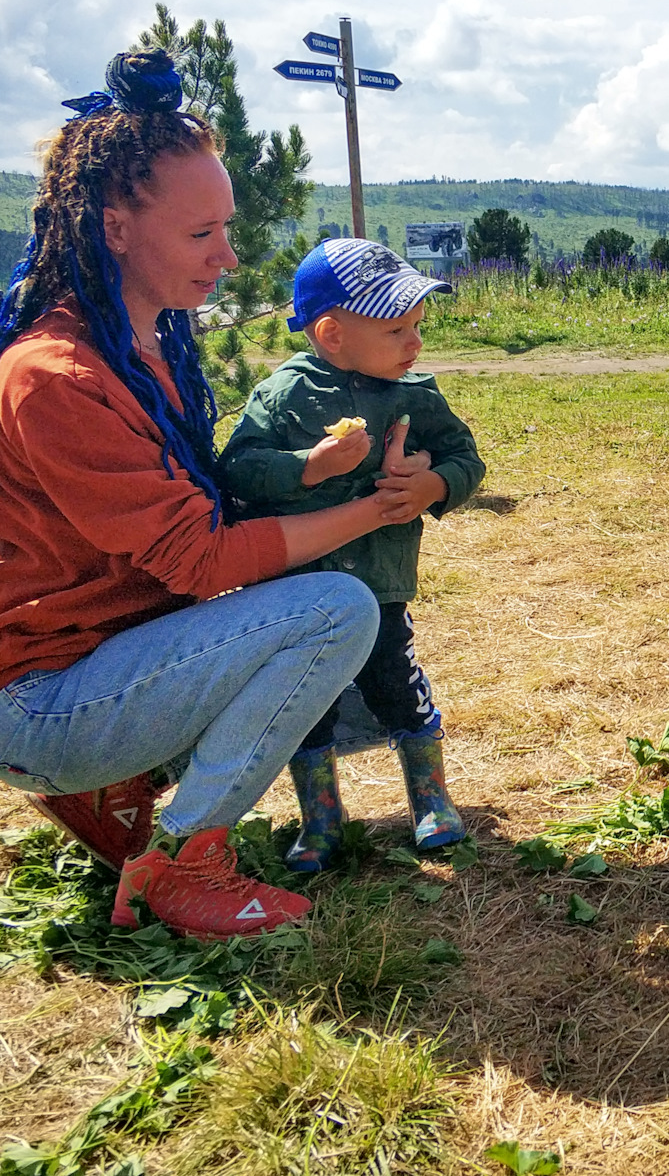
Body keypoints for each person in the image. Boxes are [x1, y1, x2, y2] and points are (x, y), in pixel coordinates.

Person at [0, 48, 419, 941]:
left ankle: (118, 792)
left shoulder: (145, 346)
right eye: (202, 235)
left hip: (98, 664)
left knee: (314, 603)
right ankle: (183, 860)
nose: (228, 256)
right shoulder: (56, 375)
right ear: (116, 227)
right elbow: (201, 559)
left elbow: (216, 512)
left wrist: (352, 477)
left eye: (225, 229)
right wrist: (372, 512)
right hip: (37, 703)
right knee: (338, 611)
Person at [220, 239, 485, 871]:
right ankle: (322, 817)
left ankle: (430, 797)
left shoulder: (415, 395)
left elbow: (465, 457)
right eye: (397, 329)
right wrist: (305, 468)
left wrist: (434, 484)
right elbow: (237, 470)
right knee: (306, 703)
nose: (414, 343)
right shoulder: (286, 394)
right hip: (301, 589)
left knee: (397, 683)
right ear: (332, 333)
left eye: (418, 326)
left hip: (381, 581)